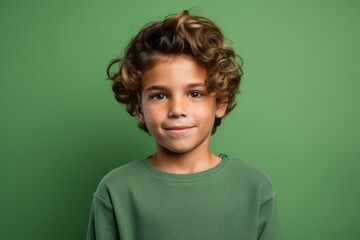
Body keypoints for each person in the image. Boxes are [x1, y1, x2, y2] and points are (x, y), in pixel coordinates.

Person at [86, 10, 282, 240]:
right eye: (159, 96)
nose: (177, 109)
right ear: (139, 109)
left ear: (220, 103)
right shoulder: (115, 190)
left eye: (195, 93)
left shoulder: (254, 186)